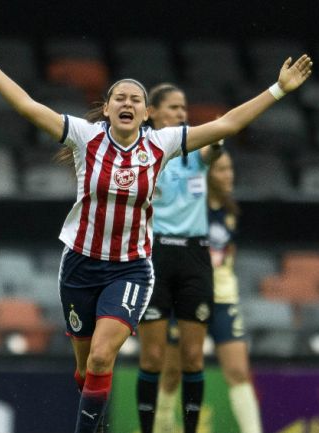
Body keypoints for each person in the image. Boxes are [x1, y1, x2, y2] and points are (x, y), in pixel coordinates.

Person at [0, 22, 312, 433]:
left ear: (144, 113)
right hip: (80, 266)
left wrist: (278, 89)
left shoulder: (162, 143)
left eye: (135, 99)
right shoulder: (85, 137)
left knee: (103, 358)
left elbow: (226, 125)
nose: (127, 102)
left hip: (131, 269)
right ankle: (98, 420)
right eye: (119, 97)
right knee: (87, 371)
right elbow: (28, 107)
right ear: (106, 108)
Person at [152, 150, 264, 433]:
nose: (229, 176)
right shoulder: (188, 207)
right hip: (187, 298)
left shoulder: (229, 210)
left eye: (230, 169)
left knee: (238, 371)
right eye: (222, 170)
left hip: (223, 299)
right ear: (206, 175)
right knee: (172, 373)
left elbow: (228, 253)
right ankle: (162, 425)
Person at [135, 83, 223, 433]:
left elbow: (214, 153)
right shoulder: (141, 151)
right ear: (152, 112)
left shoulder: (196, 151)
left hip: (195, 257)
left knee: (192, 356)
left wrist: (216, 140)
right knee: (153, 356)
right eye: (173, 107)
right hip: (154, 255)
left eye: (184, 108)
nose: (181, 114)